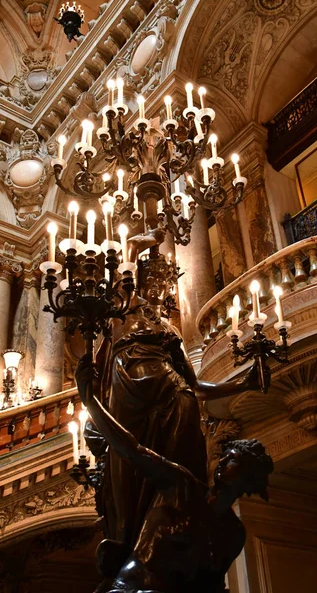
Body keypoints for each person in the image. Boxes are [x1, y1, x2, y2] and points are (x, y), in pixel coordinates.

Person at [85, 229, 264, 552]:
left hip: (177, 398)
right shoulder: (126, 306)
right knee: (129, 467)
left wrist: (244, 383)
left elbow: (196, 385)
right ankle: (128, 542)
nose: (157, 286)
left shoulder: (170, 329)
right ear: (139, 281)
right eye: (150, 279)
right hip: (131, 395)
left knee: (181, 472)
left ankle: (175, 539)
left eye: (163, 283)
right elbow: (122, 273)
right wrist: (139, 244)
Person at [76, 354, 273, 593]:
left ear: (250, 481)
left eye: (234, 460)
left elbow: (212, 585)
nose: (223, 461)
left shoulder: (232, 533)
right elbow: (132, 450)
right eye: (226, 455)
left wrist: (244, 383)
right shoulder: (183, 486)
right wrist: (90, 401)